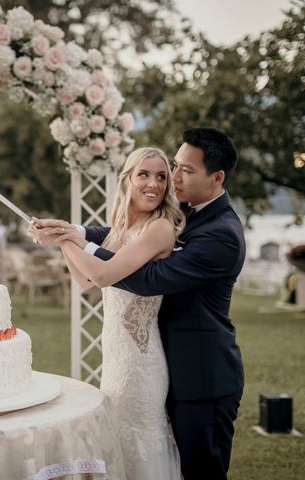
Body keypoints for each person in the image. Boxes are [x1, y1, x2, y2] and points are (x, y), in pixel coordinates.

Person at [31, 128, 245, 480]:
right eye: (173, 167)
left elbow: (145, 278)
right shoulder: (189, 211)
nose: (172, 179)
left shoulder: (221, 234)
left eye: (184, 171)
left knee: (201, 471)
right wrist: (73, 232)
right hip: (158, 361)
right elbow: (117, 237)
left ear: (216, 177)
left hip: (203, 376)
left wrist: (70, 241)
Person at [33, 146, 185, 479]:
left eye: (161, 176)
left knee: (137, 441)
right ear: (127, 180)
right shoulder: (120, 230)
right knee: (116, 438)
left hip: (141, 364)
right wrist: (64, 239)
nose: (154, 184)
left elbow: (103, 274)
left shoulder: (159, 228)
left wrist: (66, 238)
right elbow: (84, 280)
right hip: (116, 354)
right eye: (143, 174)